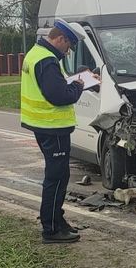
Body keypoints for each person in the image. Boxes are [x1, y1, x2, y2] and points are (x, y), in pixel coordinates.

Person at [20, 20, 99, 243]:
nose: (68, 51)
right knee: (56, 178)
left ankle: (57, 219)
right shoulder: (47, 60)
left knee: (59, 176)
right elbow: (60, 96)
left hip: (45, 125)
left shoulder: (37, 53)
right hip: (52, 127)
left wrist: (74, 80)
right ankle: (52, 229)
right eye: (69, 46)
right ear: (61, 39)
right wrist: (80, 85)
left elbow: (53, 86)